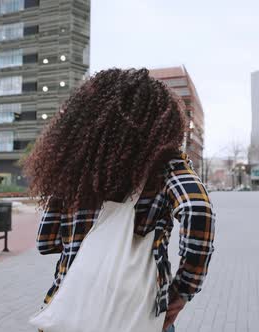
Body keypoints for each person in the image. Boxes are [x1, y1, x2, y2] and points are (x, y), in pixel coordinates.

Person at [26, 69, 215, 332]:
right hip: (138, 310)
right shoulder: (167, 166)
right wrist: (183, 289)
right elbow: (197, 209)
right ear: (163, 123)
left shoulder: (74, 167)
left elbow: (46, 242)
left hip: (71, 307)